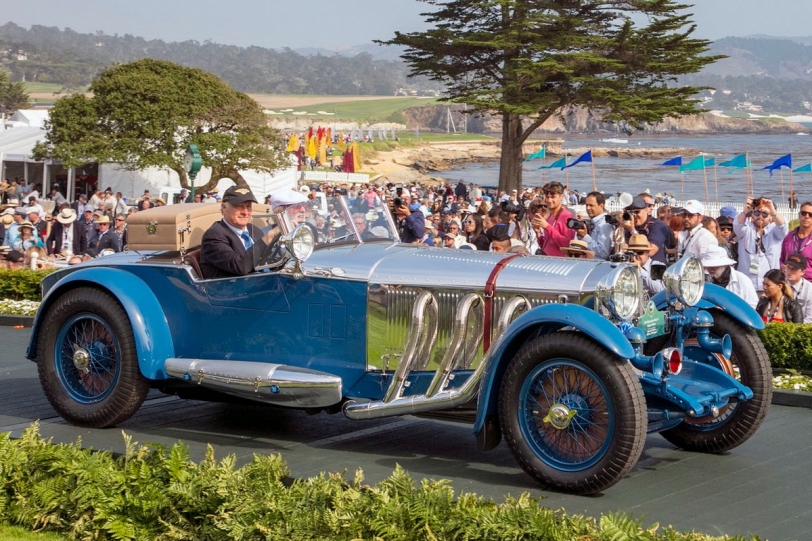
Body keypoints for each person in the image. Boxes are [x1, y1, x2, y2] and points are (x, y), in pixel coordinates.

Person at [200, 186, 270, 279]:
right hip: (233, 290)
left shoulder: (254, 230)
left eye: (248, 206)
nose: (245, 212)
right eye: (239, 206)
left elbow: (270, 260)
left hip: (264, 284)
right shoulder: (214, 235)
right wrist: (268, 238)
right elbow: (240, 266)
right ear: (224, 208)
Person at [734, 196, 787, 292]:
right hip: (746, 286)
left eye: (765, 214)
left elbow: (783, 227)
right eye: (757, 213)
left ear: (771, 217)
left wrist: (773, 211)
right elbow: (737, 225)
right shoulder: (746, 229)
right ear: (753, 215)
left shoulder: (775, 231)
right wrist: (745, 211)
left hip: (769, 286)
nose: (760, 216)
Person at [533, 181, 574, 257]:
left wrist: (547, 227)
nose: (549, 200)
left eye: (553, 197)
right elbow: (546, 245)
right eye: (547, 197)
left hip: (558, 263)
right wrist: (538, 233)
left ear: (561, 197)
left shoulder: (566, 216)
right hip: (547, 260)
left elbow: (567, 244)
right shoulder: (550, 216)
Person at [574, 191, 614, 260]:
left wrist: (585, 236)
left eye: (591, 205)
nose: (588, 208)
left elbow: (603, 253)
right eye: (586, 205)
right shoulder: (594, 222)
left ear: (601, 206)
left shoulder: (605, 224)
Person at [780, 200, 812, 281]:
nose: (806, 216)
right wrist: (783, 267)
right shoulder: (789, 237)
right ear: (799, 215)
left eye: (810, 215)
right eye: (804, 213)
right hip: (789, 282)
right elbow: (782, 259)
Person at [783, 253, 812, 324]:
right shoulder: (781, 285)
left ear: (803, 272)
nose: (790, 271)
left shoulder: (809, 290)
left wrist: (794, 329)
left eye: (794, 269)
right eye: (788, 267)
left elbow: (810, 318)